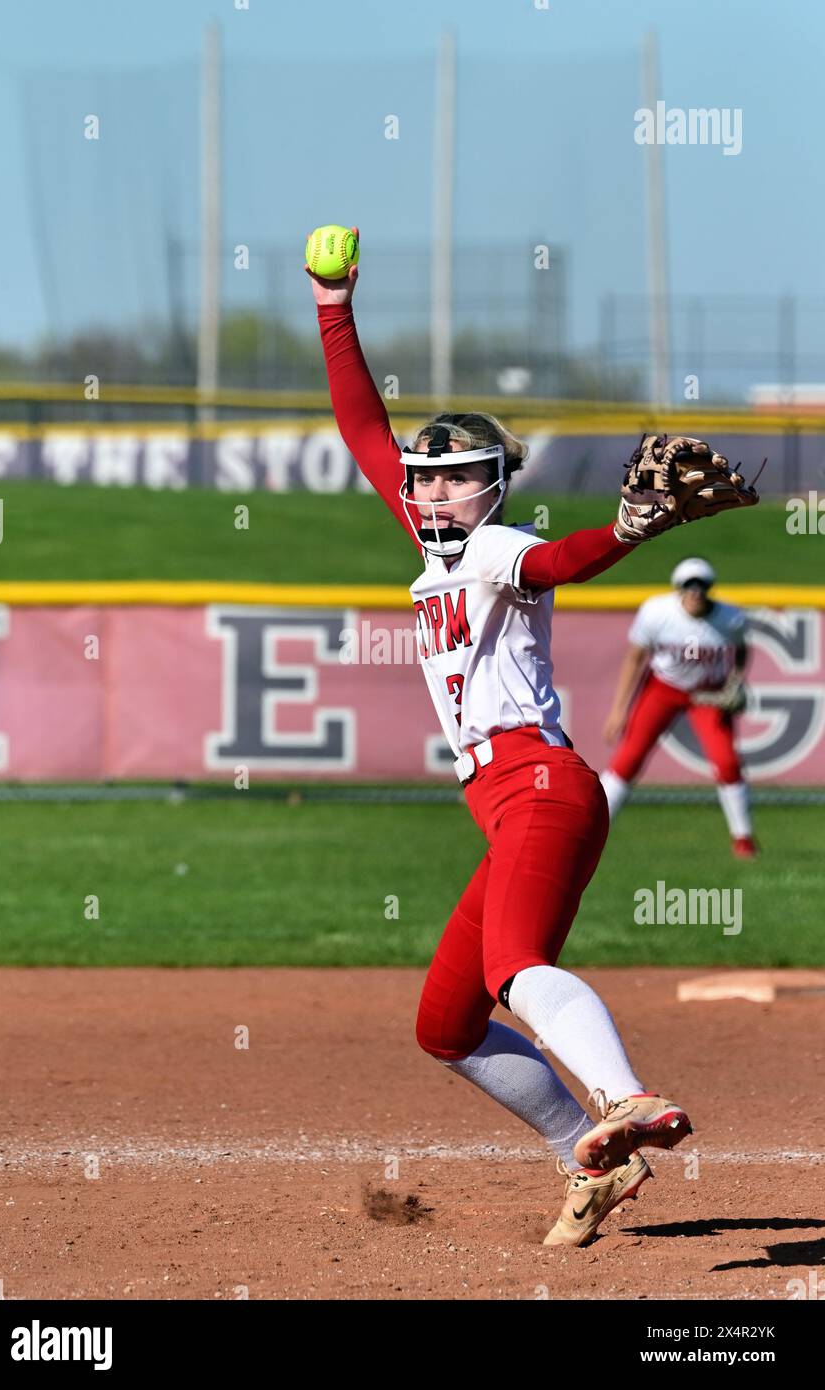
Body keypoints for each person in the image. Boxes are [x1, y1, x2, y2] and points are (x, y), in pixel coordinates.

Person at [306, 227, 694, 1248]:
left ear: (495, 484)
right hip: (508, 805)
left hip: (542, 787)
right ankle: (592, 1160)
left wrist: (627, 533)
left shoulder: (499, 545)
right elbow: (361, 430)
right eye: (425, 481)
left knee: (517, 964)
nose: (434, 492)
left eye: (457, 477)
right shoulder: (440, 549)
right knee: (446, 1025)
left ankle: (626, 1095)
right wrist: (332, 305)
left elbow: (563, 561)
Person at [600, 557, 757, 858]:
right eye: (689, 586)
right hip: (663, 688)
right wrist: (619, 709)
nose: (695, 593)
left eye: (702, 587)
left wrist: (735, 681)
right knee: (629, 757)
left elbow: (741, 649)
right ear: (679, 589)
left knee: (726, 761)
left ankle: (744, 840)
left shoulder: (731, 617)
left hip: (706, 695)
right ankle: (594, 827)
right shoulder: (657, 612)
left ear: (710, 589)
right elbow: (635, 658)